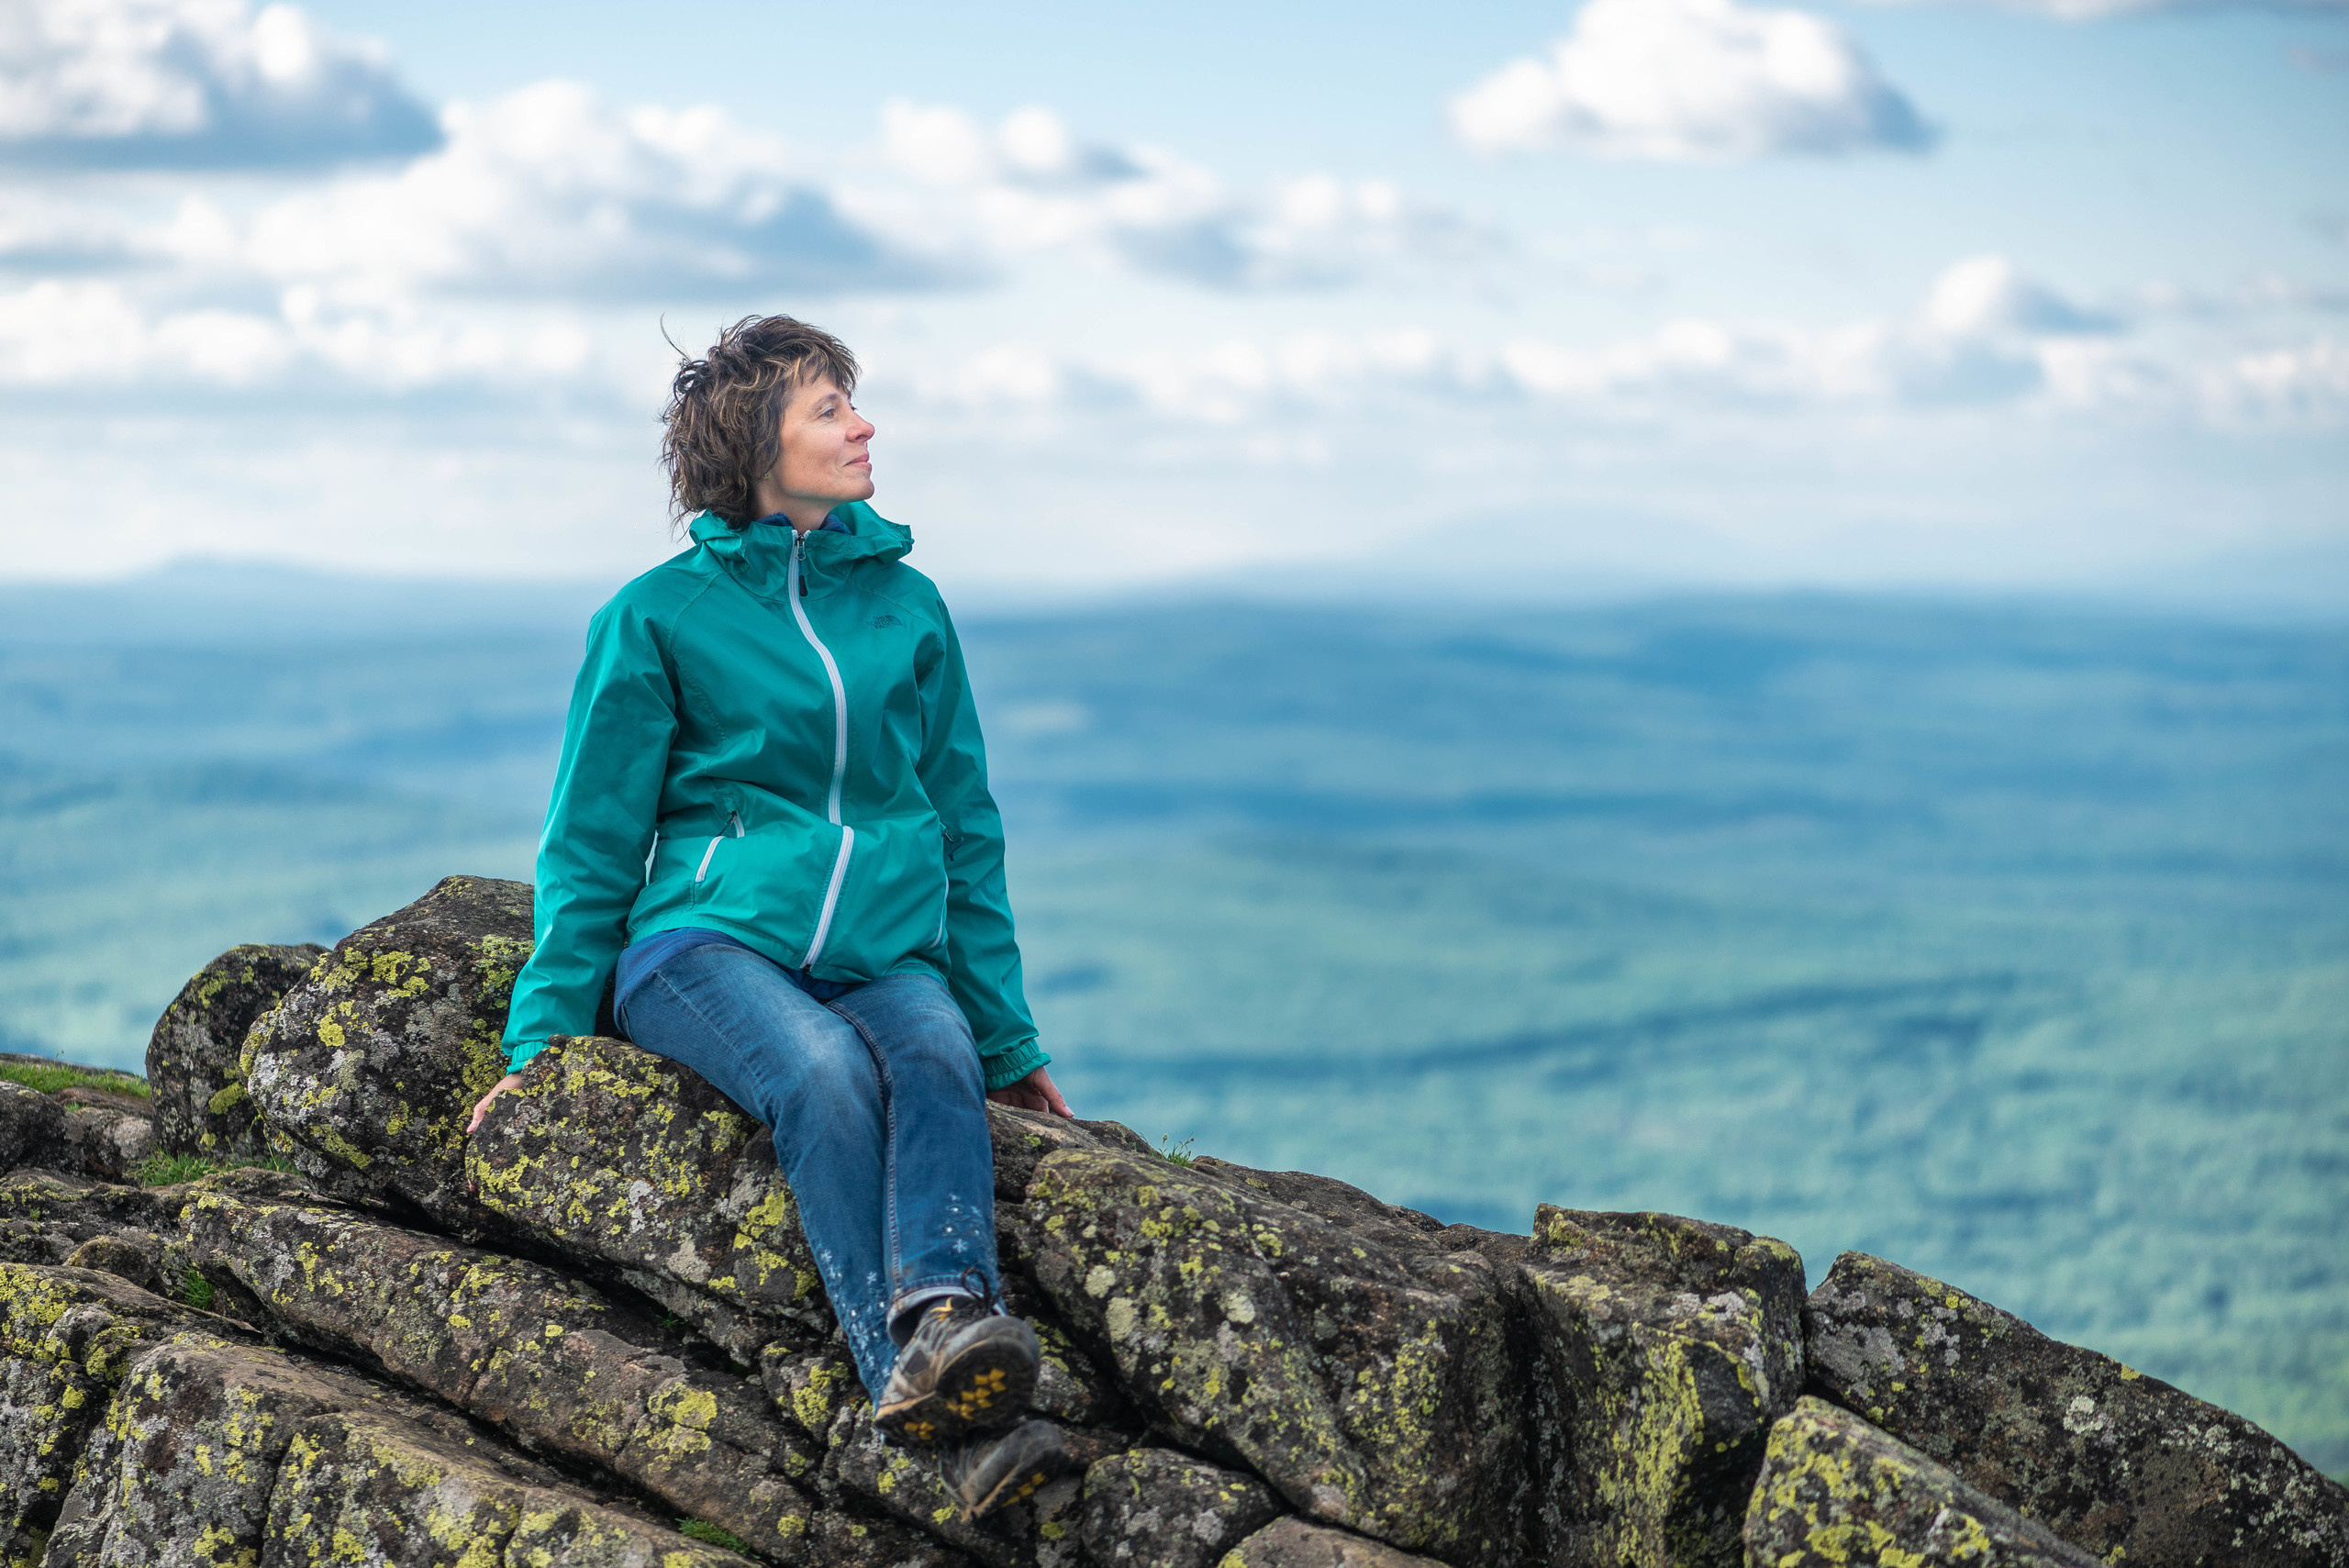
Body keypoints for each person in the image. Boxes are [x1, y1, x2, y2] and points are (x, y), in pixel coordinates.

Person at [464, 314, 1075, 1521]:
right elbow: (591, 839)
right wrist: (541, 1044)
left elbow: (963, 825)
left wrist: (1009, 1039)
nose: (863, 426)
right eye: (830, 408)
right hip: (701, 947)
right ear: (757, 446)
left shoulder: (906, 606)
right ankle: (901, 1374)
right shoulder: (655, 616)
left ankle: (949, 1317)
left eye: (852, 401)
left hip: (880, 950)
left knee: (938, 1054)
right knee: (824, 1071)